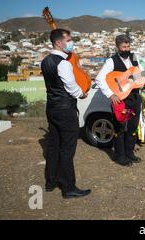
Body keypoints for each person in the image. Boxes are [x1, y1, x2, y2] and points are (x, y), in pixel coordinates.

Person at [41, 28, 91, 199]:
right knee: (67, 149)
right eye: (68, 40)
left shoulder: (45, 61)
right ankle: (68, 187)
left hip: (52, 108)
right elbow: (70, 86)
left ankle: (51, 181)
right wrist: (81, 94)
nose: (71, 43)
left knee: (54, 145)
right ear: (58, 43)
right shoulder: (63, 63)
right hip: (65, 109)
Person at [95, 34, 142, 166]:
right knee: (120, 128)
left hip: (134, 97)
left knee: (132, 127)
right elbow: (99, 79)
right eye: (123, 47)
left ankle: (130, 153)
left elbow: (138, 75)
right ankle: (119, 156)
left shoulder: (134, 57)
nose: (126, 49)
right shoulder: (111, 61)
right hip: (120, 99)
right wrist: (110, 94)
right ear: (118, 47)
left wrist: (140, 78)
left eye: (128, 46)